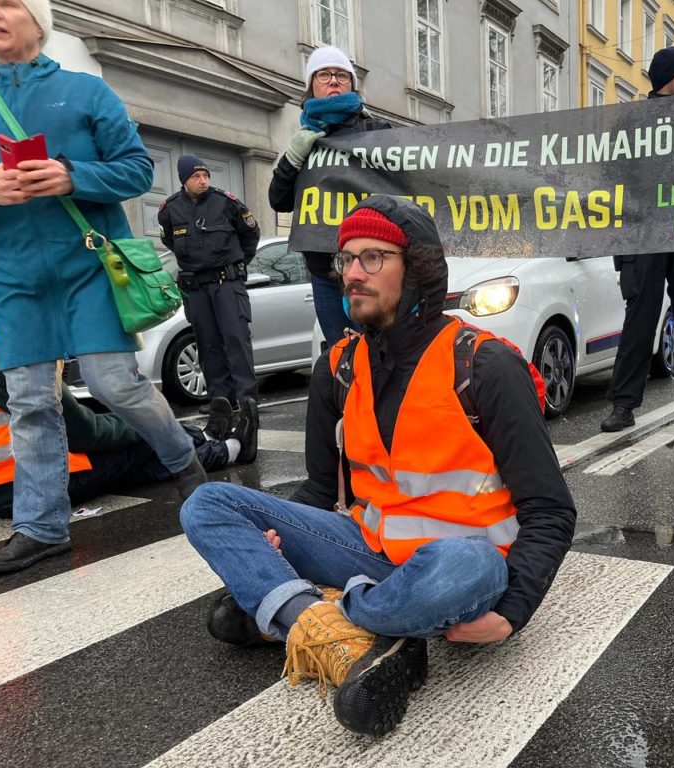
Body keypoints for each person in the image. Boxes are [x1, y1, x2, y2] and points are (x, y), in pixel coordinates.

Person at [181, 196, 576, 737]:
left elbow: (551, 510)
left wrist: (512, 613)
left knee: (460, 567)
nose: (353, 274)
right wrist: (276, 535)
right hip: (367, 550)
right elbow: (321, 490)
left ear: (415, 269)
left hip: (463, 567)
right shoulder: (338, 367)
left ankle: (302, 611)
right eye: (346, 260)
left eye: (373, 258)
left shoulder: (484, 364)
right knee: (210, 504)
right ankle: (362, 629)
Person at [0, 0, 206, 574]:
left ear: (37, 19)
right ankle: (42, 528)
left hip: (89, 268)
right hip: (15, 278)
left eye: (7, 3)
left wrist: (74, 176)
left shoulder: (84, 92)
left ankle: (184, 462)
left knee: (113, 384)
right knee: (30, 401)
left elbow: (137, 170)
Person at [0, 265, 258, 539]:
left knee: (133, 458)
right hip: (21, 485)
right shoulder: (0, 351)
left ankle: (206, 439)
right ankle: (227, 449)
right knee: (143, 448)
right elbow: (84, 433)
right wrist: (140, 426)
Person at [601, 46, 674, 437]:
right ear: (668, 76)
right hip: (644, 234)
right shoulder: (631, 124)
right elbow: (611, 177)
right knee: (640, 319)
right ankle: (623, 405)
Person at [268, 45, 391, 347]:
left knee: (378, 351)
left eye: (341, 75)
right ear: (311, 87)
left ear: (351, 84)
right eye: (324, 75)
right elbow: (278, 200)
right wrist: (293, 159)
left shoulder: (375, 130)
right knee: (342, 355)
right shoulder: (305, 141)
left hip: (370, 268)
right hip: (324, 273)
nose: (334, 81)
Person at [158, 155, 260, 439]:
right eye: (196, 177)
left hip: (227, 284)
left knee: (236, 340)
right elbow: (169, 239)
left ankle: (248, 401)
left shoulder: (225, 203)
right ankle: (221, 402)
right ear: (184, 180)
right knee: (208, 344)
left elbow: (250, 234)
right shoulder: (170, 210)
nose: (203, 180)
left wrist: (236, 264)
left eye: (205, 175)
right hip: (197, 289)